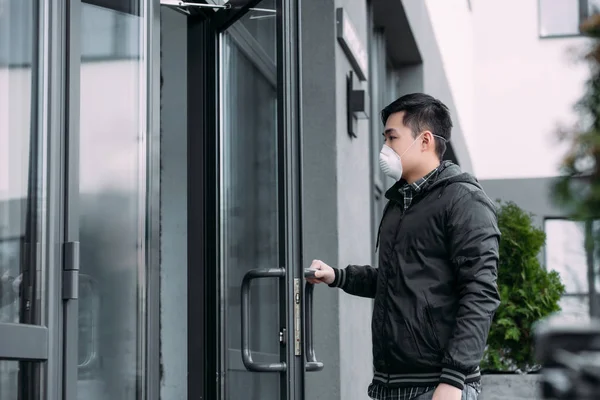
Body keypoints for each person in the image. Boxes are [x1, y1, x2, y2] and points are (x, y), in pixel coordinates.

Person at [306, 93, 501, 400]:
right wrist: (338, 276)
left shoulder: (464, 201)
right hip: (391, 383)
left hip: (437, 386)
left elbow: (481, 293)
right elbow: (397, 280)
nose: (385, 148)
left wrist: (453, 379)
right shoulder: (401, 203)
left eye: (392, 137)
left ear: (425, 140)